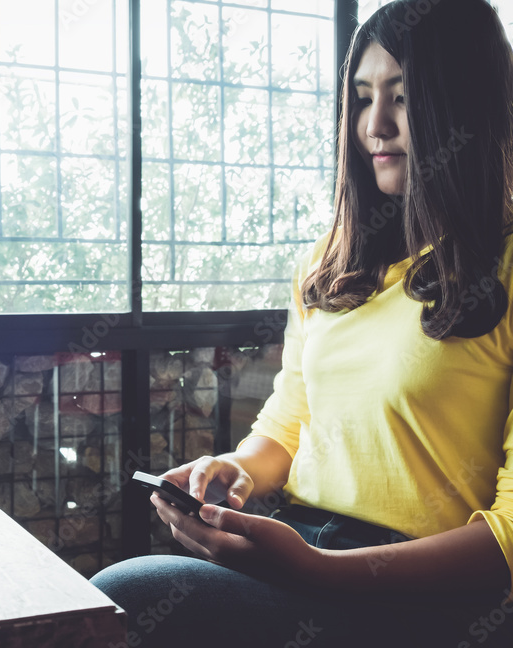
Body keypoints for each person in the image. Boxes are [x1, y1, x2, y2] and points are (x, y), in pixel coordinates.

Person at [91, 1, 513, 646]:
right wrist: (234, 470)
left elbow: (508, 536)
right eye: (363, 97)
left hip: (427, 595)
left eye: (403, 99)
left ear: (465, 109)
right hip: (302, 548)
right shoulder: (329, 262)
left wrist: (327, 572)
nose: (375, 125)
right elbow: (289, 423)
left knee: (128, 594)